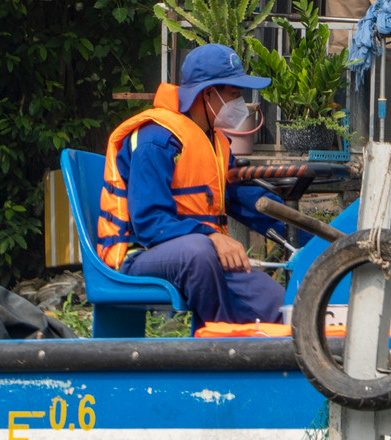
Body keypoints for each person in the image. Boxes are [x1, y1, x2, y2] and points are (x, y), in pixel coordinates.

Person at [98, 44, 286, 327]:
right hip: (141, 255)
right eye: (234, 95)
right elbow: (150, 223)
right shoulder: (155, 140)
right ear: (208, 94)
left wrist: (310, 233)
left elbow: (246, 199)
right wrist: (211, 238)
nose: (240, 104)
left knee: (281, 304)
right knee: (198, 253)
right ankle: (217, 347)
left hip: (203, 253)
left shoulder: (214, 142)